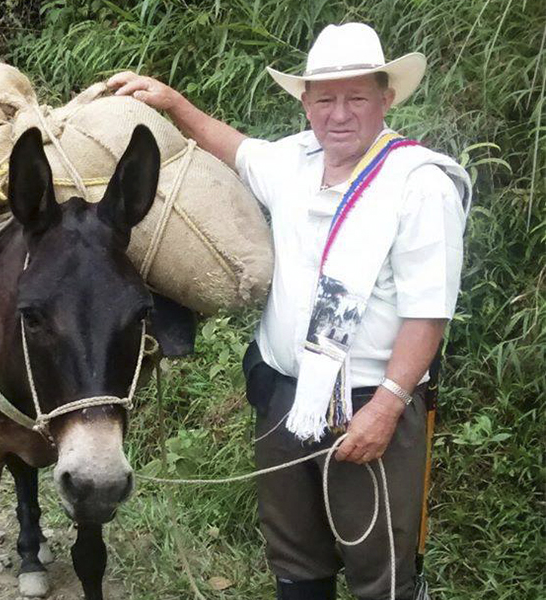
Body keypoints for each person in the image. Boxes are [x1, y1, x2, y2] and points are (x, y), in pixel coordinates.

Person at [108, 22, 471, 600]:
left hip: (370, 404)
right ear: (305, 104)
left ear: (387, 98)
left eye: (356, 97)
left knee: (383, 565)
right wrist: (173, 103)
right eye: (325, 99)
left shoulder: (419, 184)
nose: (340, 114)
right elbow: (232, 146)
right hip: (284, 398)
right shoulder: (293, 163)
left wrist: (388, 405)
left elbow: (428, 313)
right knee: (296, 560)